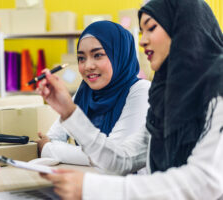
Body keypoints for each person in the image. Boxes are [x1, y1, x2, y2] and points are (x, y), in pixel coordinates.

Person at [37, 0, 223, 199]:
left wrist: (91, 188)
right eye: (142, 32)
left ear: (183, 27)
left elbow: (205, 182)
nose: (142, 41)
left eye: (151, 28)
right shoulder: (167, 96)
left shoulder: (217, 87)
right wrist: (68, 111)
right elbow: (122, 159)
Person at [36, 20, 151, 171]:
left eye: (98, 55)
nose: (88, 66)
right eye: (81, 58)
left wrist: (50, 149)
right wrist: (55, 147)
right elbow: (53, 137)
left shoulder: (141, 91)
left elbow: (111, 156)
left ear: (119, 54)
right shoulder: (85, 92)